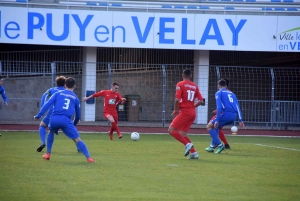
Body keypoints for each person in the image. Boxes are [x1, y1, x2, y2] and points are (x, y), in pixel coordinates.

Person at [34, 77, 95, 163]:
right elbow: (78, 116)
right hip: (66, 120)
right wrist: (73, 124)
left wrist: (39, 115)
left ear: (65, 85)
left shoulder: (57, 93)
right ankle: (89, 158)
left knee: (51, 132)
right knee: (77, 139)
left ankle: (48, 154)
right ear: (75, 86)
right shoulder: (75, 98)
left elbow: (47, 104)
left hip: (54, 118)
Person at [168, 69, 204, 159]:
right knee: (183, 133)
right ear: (191, 76)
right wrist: (193, 107)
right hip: (192, 112)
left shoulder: (180, 84)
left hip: (185, 112)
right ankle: (194, 153)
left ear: (182, 75)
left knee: (171, 130)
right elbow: (201, 101)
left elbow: (177, 99)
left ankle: (187, 144)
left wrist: (176, 110)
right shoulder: (195, 86)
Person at [206, 79, 244, 154]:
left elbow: (219, 107)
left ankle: (220, 145)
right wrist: (240, 120)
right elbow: (237, 107)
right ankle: (212, 146)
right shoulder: (232, 94)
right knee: (217, 127)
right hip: (233, 116)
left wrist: (217, 119)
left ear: (218, 85)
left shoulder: (219, 93)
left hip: (225, 114)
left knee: (209, 126)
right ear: (226, 86)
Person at [36, 76, 66, 152]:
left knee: (42, 125)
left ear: (56, 83)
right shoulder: (67, 91)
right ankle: (79, 147)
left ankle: (43, 142)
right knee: (70, 130)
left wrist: (42, 106)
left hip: (52, 112)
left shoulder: (52, 90)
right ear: (64, 84)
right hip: (64, 113)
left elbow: (44, 96)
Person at [209, 78, 231, 149]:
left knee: (212, 126)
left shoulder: (222, 92)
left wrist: (218, 111)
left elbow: (224, 105)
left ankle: (217, 144)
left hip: (223, 114)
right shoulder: (229, 92)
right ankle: (224, 144)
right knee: (217, 128)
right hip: (224, 113)